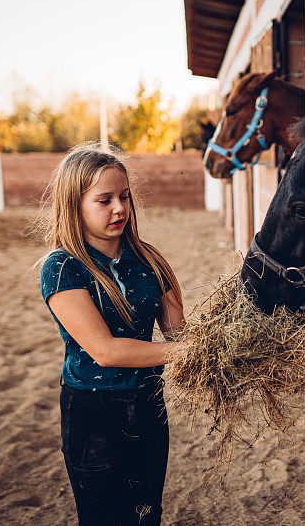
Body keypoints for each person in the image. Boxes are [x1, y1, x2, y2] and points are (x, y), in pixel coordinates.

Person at [38, 143, 184, 525]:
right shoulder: (62, 268)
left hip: (150, 404)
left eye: (124, 196)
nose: (119, 208)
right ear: (74, 205)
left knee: (146, 511)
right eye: (104, 200)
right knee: (104, 517)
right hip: (93, 413)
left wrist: (224, 339)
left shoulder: (151, 259)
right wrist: (190, 353)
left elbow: (179, 332)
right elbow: (106, 351)